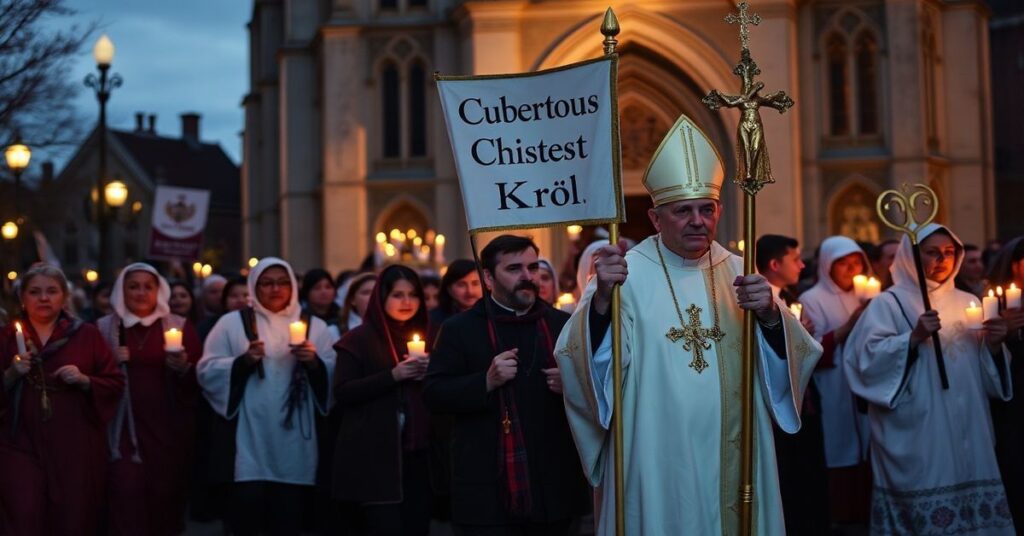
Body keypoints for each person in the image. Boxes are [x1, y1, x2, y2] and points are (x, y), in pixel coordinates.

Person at [553, 114, 821, 534]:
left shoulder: (740, 271)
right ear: (657, 219)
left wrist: (771, 315)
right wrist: (602, 302)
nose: (698, 220)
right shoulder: (624, 276)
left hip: (735, 445)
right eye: (683, 211)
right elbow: (581, 363)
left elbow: (797, 360)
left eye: (707, 209)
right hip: (656, 448)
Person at [843, 224, 1014, 534]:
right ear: (912, 255)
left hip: (969, 423)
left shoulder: (969, 302)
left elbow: (986, 374)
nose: (942, 259)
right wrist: (911, 338)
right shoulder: (888, 303)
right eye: (932, 252)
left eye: (949, 252)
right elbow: (863, 361)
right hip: (918, 424)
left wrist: (994, 344)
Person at [424, 235, 590, 534]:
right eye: (514, 269)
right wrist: (485, 382)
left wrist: (572, 386)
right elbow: (434, 394)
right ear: (488, 277)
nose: (527, 277)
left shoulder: (561, 324)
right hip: (488, 490)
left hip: (553, 488)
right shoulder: (459, 329)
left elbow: (594, 390)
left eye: (533, 267)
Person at [197, 257, 337, 536]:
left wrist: (313, 363)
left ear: (294, 287)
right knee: (247, 514)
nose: (276, 289)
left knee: (290, 515)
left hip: (297, 434)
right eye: (267, 283)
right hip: (249, 435)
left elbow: (334, 374)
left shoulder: (316, 327)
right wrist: (242, 362)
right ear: (254, 286)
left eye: (283, 282)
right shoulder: (230, 324)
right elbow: (207, 370)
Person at [0, 264, 124, 534]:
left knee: (72, 516)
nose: (44, 298)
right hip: (19, 441)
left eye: (52, 291)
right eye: (35, 292)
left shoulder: (86, 335)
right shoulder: (7, 338)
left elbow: (115, 383)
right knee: (24, 513)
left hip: (74, 443)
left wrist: (85, 380)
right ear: (22, 298)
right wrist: (10, 374)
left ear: (64, 297)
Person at [97, 263, 202, 535]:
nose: (141, 293)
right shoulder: (102, 329)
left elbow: (200, 381)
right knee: (125, 494)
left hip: (166, 428)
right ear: (122, 291)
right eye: (133, 286)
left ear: (159, 291)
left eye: (148, 286)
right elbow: (91, 380)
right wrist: (110, 364)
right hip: (121, 430)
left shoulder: (179, 326)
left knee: (164, 496)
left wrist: (183, 369)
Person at [333, 265, 433, 535]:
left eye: (413, 294)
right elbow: (343, 391)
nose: (407, 302)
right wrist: (393, 375)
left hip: (418, 454)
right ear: (382, 297)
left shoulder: (430, 333)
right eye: (397, 294)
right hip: (375, 455)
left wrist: (431, 372)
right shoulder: (358, 339)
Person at [755, 233, 828, 535]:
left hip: (803, 402)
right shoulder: (759, 299)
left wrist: (801, 336)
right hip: (775, 408)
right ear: (774, 264)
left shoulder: (790, 298)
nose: (801, 265)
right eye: (794, 259)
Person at [798, 235, 872, 527]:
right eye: (843, 263)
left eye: (856, 262)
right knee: (839, 447)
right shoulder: (811, 299)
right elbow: (812, 348)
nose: (851, 268)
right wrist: (852, 323)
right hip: (833, 384)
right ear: (828, 266)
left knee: (866, 446)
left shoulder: (867, 293)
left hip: (861, 381)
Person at [988, 236, 1024, 525]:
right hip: (1014, 396)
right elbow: (986, 353)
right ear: (1014, 266)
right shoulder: (993, 301)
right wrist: (1005, 334)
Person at [427, 259, 483, 345]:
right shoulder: (433, 320)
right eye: (461, 285)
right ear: (449, 288)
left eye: (475, 283)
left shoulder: (494, 316)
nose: (470, 291)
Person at [301, 268, 343, 341]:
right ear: (307, 292)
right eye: (317, 288)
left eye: (328, 287)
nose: (324, 292)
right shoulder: (301, 320)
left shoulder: (344, 317)